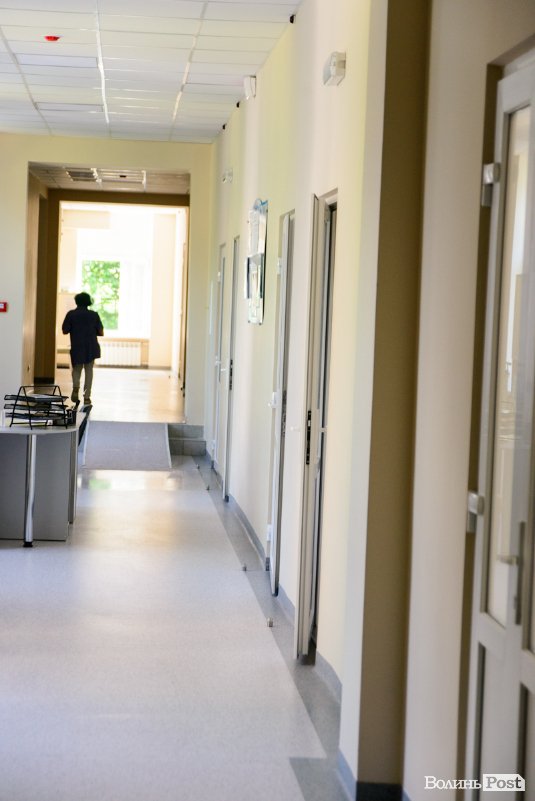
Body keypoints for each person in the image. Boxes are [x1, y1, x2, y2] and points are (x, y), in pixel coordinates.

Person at [62, 292, 104, 406]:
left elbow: (65, 330)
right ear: (88, 302)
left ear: (76, 302)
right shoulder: (94, 315)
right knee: (89, 371)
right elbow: (101, 332)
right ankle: (87, 396)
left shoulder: (71, 314)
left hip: (77, 346)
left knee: (76, 369)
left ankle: (76, 387)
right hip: (91, 346)